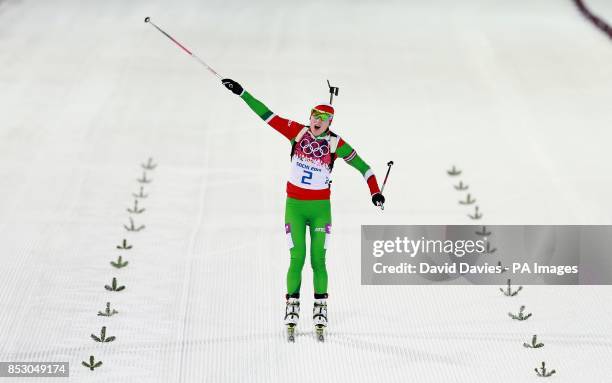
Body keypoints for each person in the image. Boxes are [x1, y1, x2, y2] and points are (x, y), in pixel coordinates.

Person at [221, 78, 385, 340]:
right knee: (296, 258)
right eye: (314, 116)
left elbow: (366, 169)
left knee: (318, 260)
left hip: (320, 209)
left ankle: (320, 309)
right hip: (294, 207)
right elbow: (267, 115)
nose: (316, 121)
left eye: (322, 118)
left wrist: (375, 192)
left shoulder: (336, 144)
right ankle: (292, 307)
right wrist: (241, 92)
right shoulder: (296, 132)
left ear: (330, 122)